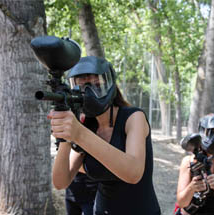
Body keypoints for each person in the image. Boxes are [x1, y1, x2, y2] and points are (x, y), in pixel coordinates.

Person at [48, 56, 161, 215]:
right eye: (81, 87)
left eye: (97, 85)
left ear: (111, 86)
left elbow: (133, 173)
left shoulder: (133, 117)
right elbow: (60, 182)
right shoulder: (86, 126)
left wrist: (78, 133)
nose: (88, 93)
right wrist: (65, 138)